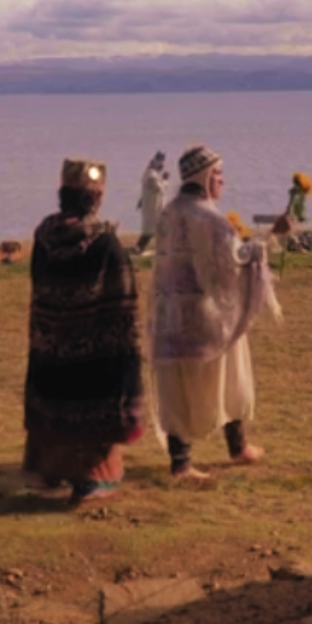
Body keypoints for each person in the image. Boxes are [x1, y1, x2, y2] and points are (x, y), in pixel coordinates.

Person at [148, 144, 288, 481]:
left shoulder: (168, 213)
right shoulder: (209, 219)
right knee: (231, 378)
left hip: (170, 317)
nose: (223, 181)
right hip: (208, 317)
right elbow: (230, 267)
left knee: (178, 387)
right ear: (206, 177)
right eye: (219, 175)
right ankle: (223, 452)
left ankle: (189, 458)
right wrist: (271, 239)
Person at [22, 157, 146, 504]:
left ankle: (50, 470)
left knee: (55, 404)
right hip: (95, 352)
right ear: (95, 197)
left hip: (50, 344)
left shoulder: (44, 237)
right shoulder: (105, 244)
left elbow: (40, 287)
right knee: (92, 413)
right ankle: (91, 477)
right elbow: (122, 307)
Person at [135, 151, 170, 256]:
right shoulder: (151, 175)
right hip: (153, 208)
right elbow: (158, 188)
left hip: (156, 207)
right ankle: (139, 248)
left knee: (159, 229)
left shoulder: (153, 174)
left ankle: (164, 249)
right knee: (150, 230)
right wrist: (165, 180)